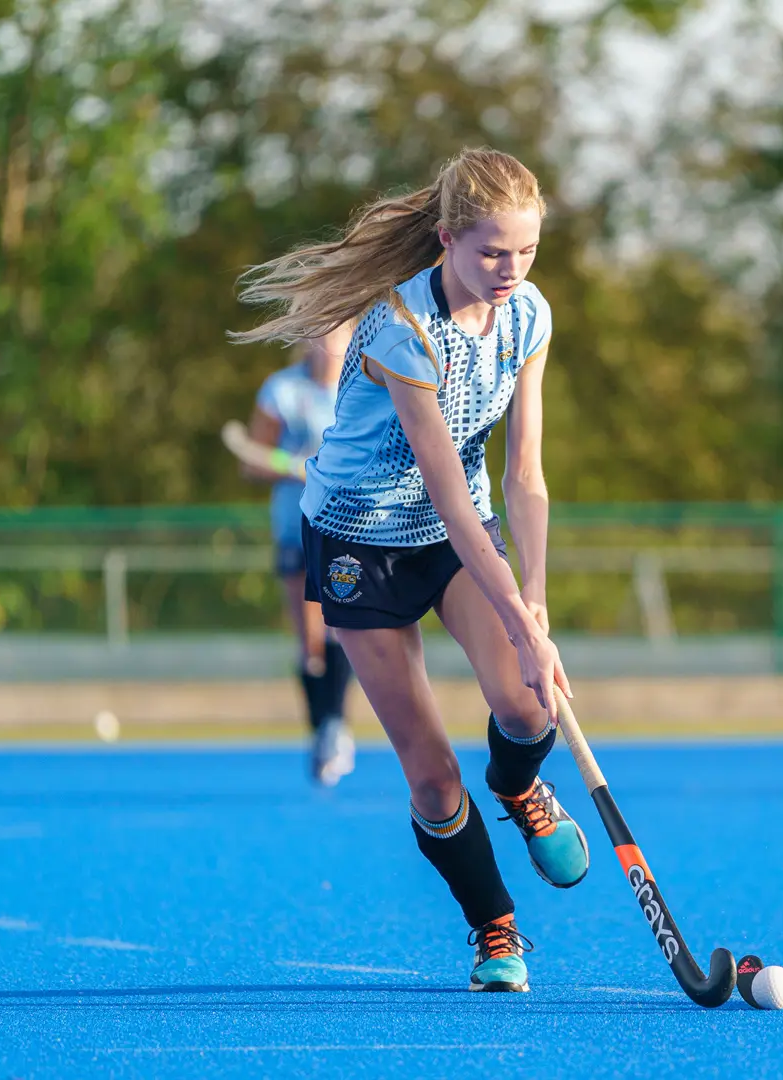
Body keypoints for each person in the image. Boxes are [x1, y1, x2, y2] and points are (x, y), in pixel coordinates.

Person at [232, 148, 585, 993]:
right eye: (492, 252)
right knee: (430, 774)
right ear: (447, 240)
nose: (511, 270)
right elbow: (447, 494)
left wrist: (531, 607)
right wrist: (513, 612)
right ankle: (495, 930)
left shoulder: (530, 315)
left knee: (529, 703)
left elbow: (523, 472)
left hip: (454, 531)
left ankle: (520, 790)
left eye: (526, 251)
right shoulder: (400, 330)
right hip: (359, 543)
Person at [241, 327, 358, 786]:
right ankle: (322, 730)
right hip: (295, 527)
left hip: (347, 528)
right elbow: (252, 460)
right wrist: (296, 466)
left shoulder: (363, 385)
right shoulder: (282, 390)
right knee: (309, 639)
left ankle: (335, 725)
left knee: (340, 629)